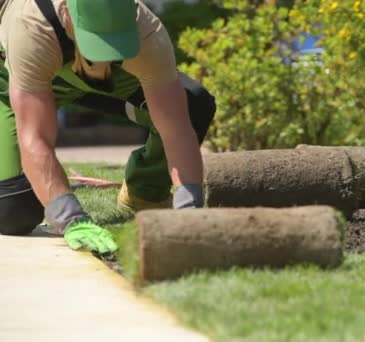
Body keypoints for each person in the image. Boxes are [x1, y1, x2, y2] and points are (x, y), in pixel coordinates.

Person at [0, 0, 216, 254]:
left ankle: (144, 190)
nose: (110, 51)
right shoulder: (30, 26)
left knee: (193, 106)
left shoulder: (145, 29)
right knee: (14, 212)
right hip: (21, 80)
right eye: (100, 41)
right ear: (69, 17)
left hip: (95, 78)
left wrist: (189, 206)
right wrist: (71, 219)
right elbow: (34, 138)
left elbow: (176, 126)